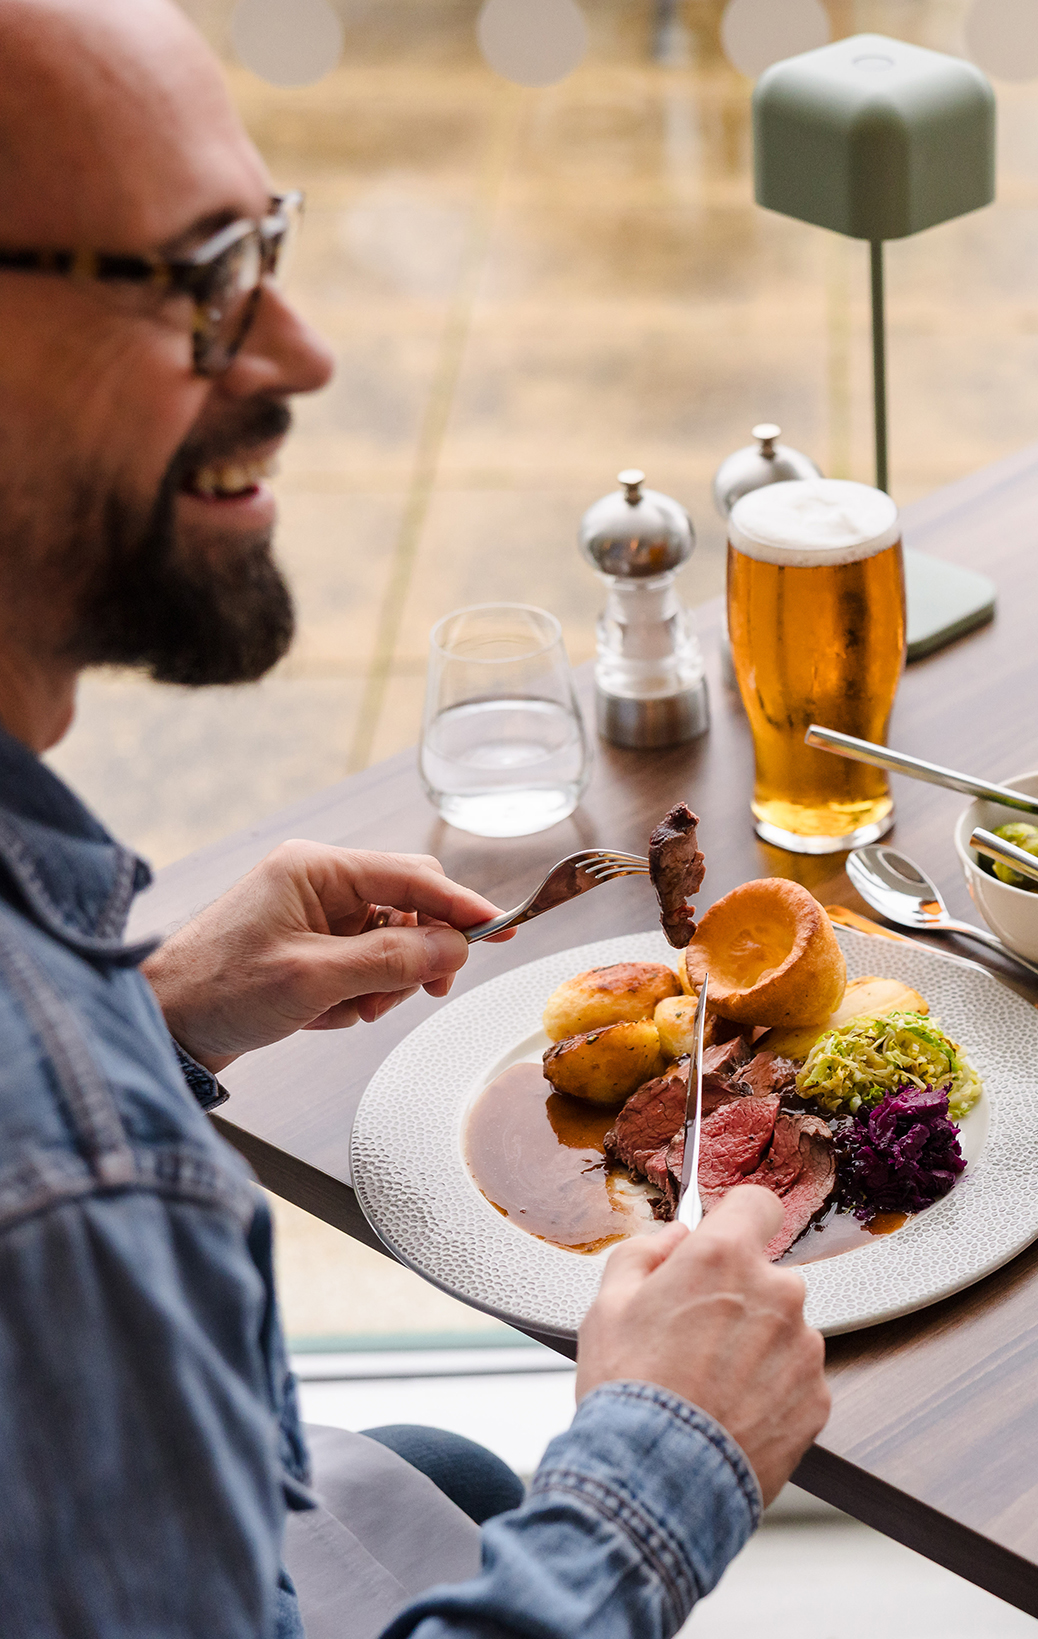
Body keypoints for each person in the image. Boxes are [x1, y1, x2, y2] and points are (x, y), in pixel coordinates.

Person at [0, 1, 831, 1633]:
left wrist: (148, 1018)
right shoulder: (72, 1194)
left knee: (444, 1468)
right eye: (200, 278)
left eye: (268, 245)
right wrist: (668, 1456)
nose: (304, 353)